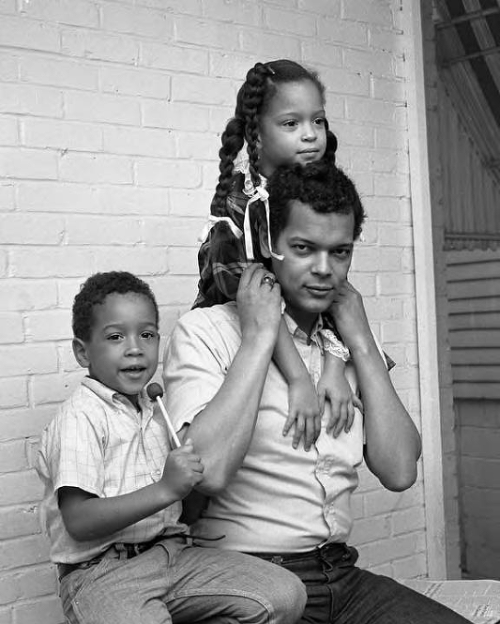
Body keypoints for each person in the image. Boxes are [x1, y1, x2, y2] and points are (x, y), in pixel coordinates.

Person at [164, 163, 472, 623]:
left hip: (341, 575)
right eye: (304, 248)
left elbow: (399, 469)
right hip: (250, 582)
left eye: (340, 252)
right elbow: (206, 473)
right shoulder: (208, 331)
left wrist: (363, 342)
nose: (325, 269)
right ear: (270, 244)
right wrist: (257, 339)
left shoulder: (343, 347)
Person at [36, 271, 307, 624]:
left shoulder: (157, 410)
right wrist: (165, 489)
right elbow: (79, 521)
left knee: (285, 595)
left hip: (172, 556)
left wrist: (193, 488)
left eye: (147, 335)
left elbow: (185, 507)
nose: (135, 347)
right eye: (116, 336)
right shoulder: (80, 417)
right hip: (101, 574)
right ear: (81, 351)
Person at [194, 59, 361, 451]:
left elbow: (334, 294)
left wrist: (334, 367)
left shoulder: (312, 198)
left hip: (305, 333)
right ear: (257, 134)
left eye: (318, 121)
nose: (310, 136)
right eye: (291, 124)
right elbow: (256, 300)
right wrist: (301, 378)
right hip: (246, 329)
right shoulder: (240, 210)